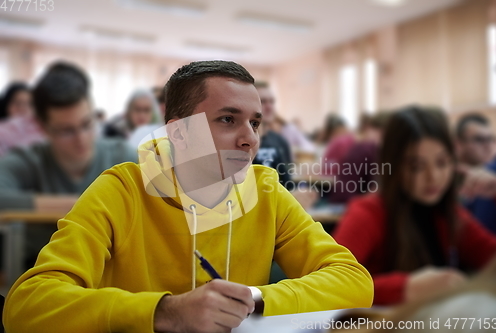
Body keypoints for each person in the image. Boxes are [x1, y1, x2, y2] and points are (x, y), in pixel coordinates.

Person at [4, 60, 373, 333]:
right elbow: (26, 307)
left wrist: (252, 302)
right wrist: (165, 312)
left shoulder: (266, 189)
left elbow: (354, 282)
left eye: (255, 122)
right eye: (228, 119)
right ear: (178, 134)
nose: (250, 139)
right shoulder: (121, 189)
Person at [333, 105, 496, 306]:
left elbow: (494, 258)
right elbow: (330, 284)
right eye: (416, 166)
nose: (434, 177)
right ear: (393, 166)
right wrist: (405, 288)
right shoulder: (367, 213)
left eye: (442, 163)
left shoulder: (449, 213)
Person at [0, 61, 137, 268]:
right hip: (47, 276)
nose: (81, 139)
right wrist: (81, 206)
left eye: (86, 124)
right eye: (66, 131)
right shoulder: (30, 161)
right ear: (43, 127)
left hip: (112, 278)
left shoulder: (122, 155)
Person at [455, 113, 496, 235]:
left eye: (490, 139)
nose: (488, 145)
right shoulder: (448, 176)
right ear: (458, 144)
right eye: (479, 139)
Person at [252, 81, 294, 189]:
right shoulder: (240, 141)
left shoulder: (280, 141)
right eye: (263, 101)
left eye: (272, 102)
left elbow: (287, 183)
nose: (269, 107)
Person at [0, 82, 45, 156]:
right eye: (17, 103)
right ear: (5, 104)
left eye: (29, 104)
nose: (23, 108)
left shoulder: (41, 132)